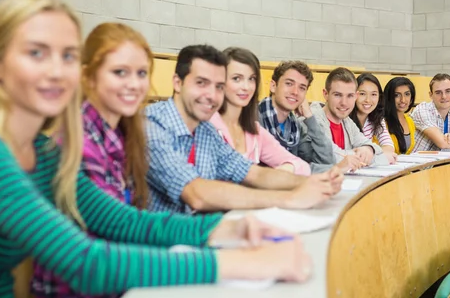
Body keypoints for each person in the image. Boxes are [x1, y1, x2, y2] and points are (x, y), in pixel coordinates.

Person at [0, 0, 312, 298]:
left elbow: (120, 220)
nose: (57, 71)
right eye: (36, 53)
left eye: (68, 56)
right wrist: (247, 265)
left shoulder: (43, 150)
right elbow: (82, 262)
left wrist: (228, 232)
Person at [29, 22, 153, 298]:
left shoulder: (120, 134)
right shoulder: (77, 143)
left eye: (141, 73)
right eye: (120, 72)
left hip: (115, 284)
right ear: (88, 77)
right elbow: (115, 234)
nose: (134, 84)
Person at [146, 45, 343, 213]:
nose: (211, 95)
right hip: (157, 245)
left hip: (200, 231)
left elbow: (254, 174)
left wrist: (314, 183)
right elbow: (196, 194)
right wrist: (288, 198)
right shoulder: (152, 124)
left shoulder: (204, 130)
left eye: (218, 86)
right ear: (177, 83)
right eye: (201, 83)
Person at [210, 47, 311, 176]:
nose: (246, 87)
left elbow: (302, 166)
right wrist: (265, 177)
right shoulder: (207, 125)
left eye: (251, 79)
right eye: (236, 78)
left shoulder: (254, 131)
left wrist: (287, 168)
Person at [258, 60, 337, 173]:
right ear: (273, 86)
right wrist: (334, 170)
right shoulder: (254, 118)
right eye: (289, 83)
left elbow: (326, 160)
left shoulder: (295, 126)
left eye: (302, 88)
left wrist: (310, 117)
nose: (295, 92)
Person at [310, 67, 389, 171]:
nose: (344, 102)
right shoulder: (312, 119)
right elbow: (330, 157)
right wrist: (365, 156)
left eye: (350, 96)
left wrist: (369, 149)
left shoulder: (346, 121)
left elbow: (381, 154)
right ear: (326, 94)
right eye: (337, 95)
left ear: (356, 96)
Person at [349, 73, 396, 163]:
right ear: (354, 95)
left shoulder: (376, 118)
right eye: (362, 94)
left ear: (379, 97)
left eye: (373, 94)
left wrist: (372, 154)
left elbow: (388, 146)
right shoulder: (346, 118)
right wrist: (378, 155)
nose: (368, 100)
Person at [383, 77, 417, 155]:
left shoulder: (410, 121)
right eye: (397, 95)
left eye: (407, 94)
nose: (403, 100)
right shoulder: (382, 122)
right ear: (389, 97)